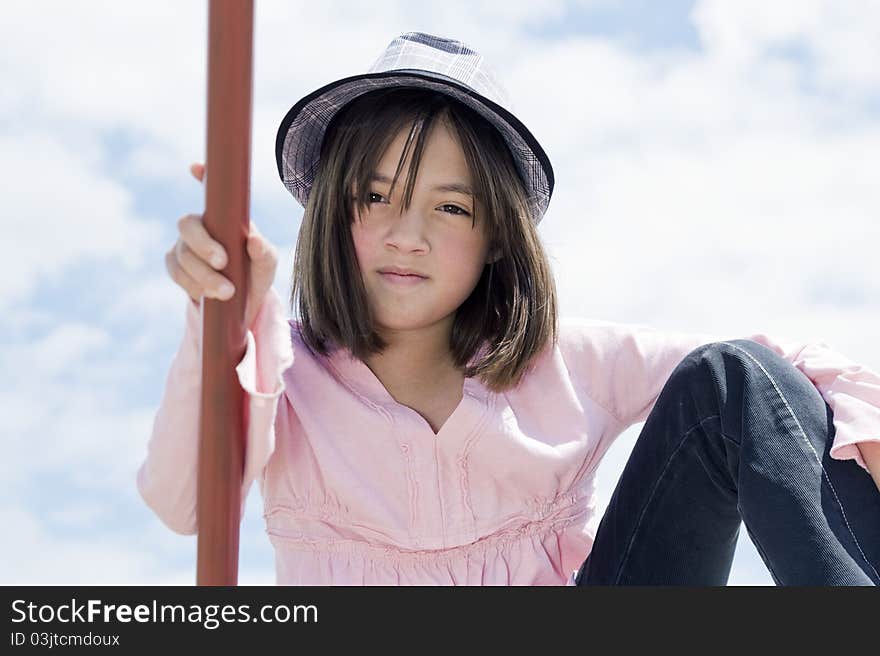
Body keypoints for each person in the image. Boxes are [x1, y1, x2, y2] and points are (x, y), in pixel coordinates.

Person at [138, 32, 880, 585]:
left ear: (495, 237)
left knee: (734, 374)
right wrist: (220, 316)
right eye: (374, 196)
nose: (408, 236)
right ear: (336, 211)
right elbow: (186, 506)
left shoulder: (564, 362)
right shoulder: (280, 367)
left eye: (451, 208)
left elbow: (771, 382)